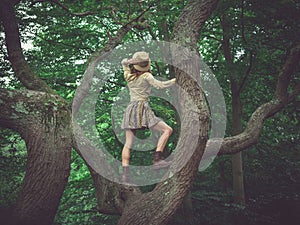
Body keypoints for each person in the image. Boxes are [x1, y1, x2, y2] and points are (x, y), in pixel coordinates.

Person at [120, 51, 176, 183]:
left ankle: (125, 176)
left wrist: (129, 62)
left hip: (130, 109)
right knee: (167, 130)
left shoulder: (128, 76)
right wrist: (175, 80)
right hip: (142, 108)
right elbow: (160, 85)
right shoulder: (146, 76)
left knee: (128, 144)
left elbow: (123, 63)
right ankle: (157, 159)